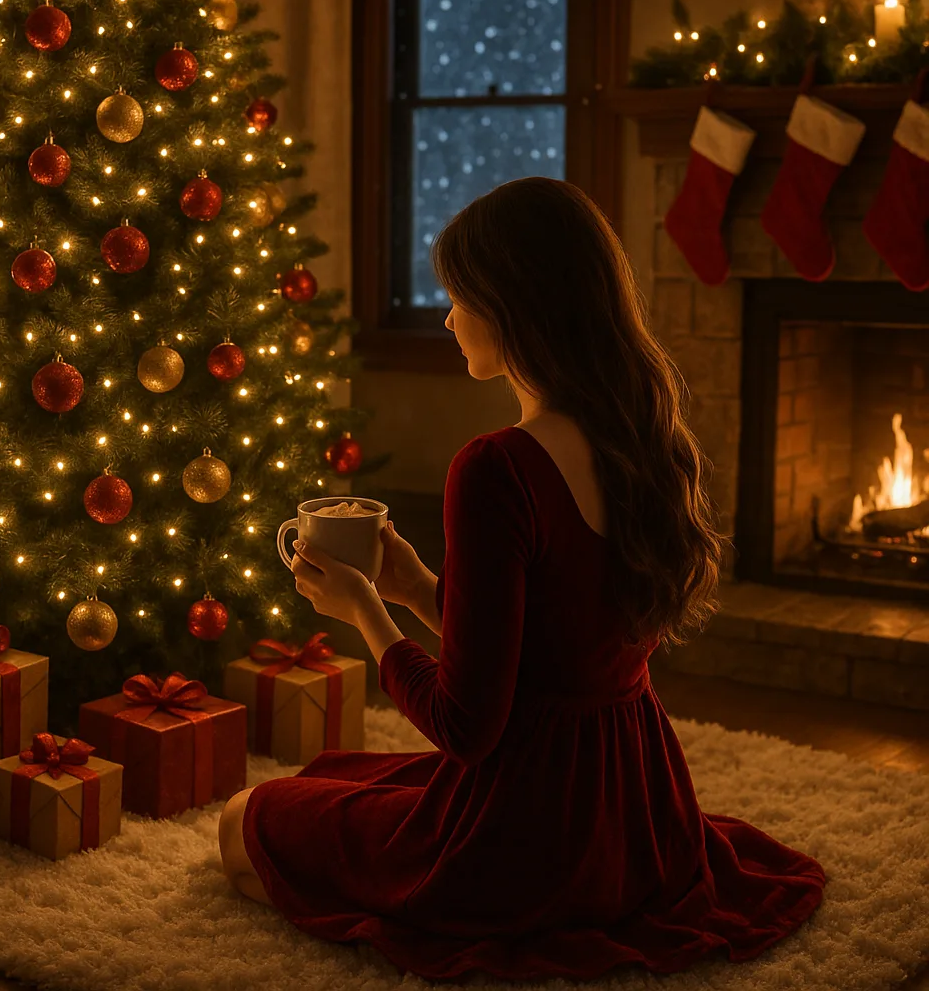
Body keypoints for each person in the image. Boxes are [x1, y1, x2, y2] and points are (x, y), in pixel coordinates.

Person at [217, 176, 826, 982]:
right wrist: (419, 587)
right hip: (637, 814)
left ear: (511, 306)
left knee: (240, 825)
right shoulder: (636, 435)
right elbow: (555, 642)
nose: (445, 318)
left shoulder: (496, 468)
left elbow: (467, 727)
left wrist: (364, 611)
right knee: (341, 777)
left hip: (523, 831)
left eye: (457, 298)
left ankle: (433, 909)